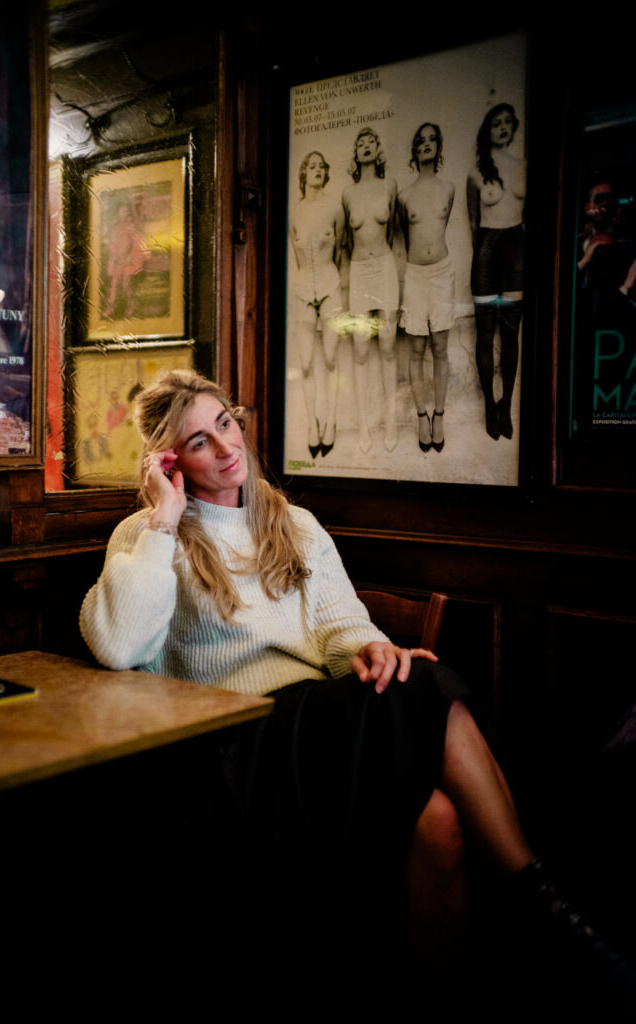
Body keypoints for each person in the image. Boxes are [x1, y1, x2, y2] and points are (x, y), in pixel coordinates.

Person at [79, 369, 632, 1010]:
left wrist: (372, 649)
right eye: (200, 441)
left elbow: (342, 628)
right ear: (170, 462)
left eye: (226, 423)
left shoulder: (295, 524)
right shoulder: (148, 536)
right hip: (234, 746)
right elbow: (118, 645)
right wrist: (165, 519)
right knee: (427, 684)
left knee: (439, 817)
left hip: (320, 736)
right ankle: (539, 899)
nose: (227, 447)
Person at [467, 103, 525, 441]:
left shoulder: (524, 167)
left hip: (516, 249)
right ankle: (490, 404)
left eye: (507, 122)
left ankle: (507, 405)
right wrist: (483, 255)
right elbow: (473, 223)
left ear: (513, 127)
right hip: (487, 251)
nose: (502, 127)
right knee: (485, 334)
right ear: (487, 130)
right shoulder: (477, 172)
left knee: (512, 333)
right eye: (495, 123)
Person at [398, 123, 455, 453]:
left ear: (439, 146)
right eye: (421, 141)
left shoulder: (449, 188)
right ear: (415, 150)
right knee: (417, 349)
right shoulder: (404, 196)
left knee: (440, 347)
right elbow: (408, 238)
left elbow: (442, 227)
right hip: (416, 275)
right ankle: (422, 416)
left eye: (433, 139)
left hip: (442, 273)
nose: (426, 144)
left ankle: (440, 416)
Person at [342, 129, 399, 452]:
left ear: (379, 150)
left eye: (371, 143)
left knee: (388, 345)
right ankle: (364, 424)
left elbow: (392, 234)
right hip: (360, 270)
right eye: (360, 143)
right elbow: (347, 241)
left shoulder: (390, 186)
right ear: (356, 152)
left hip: (385, 268)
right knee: (362, 349)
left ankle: (390, 421)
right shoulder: (348, 193)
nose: (365, 147)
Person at [289, 151, 344, 458]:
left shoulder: (335, 208)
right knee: (307, 362)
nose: (317, 170)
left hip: (330, 286)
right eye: (312, 166)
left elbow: (341, 250)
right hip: (302, 291)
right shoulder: (294, 212)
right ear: (303, 174)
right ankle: (313, 424)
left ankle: (331, 421)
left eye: (322, 166)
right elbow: (297, 257)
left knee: (332, 358)